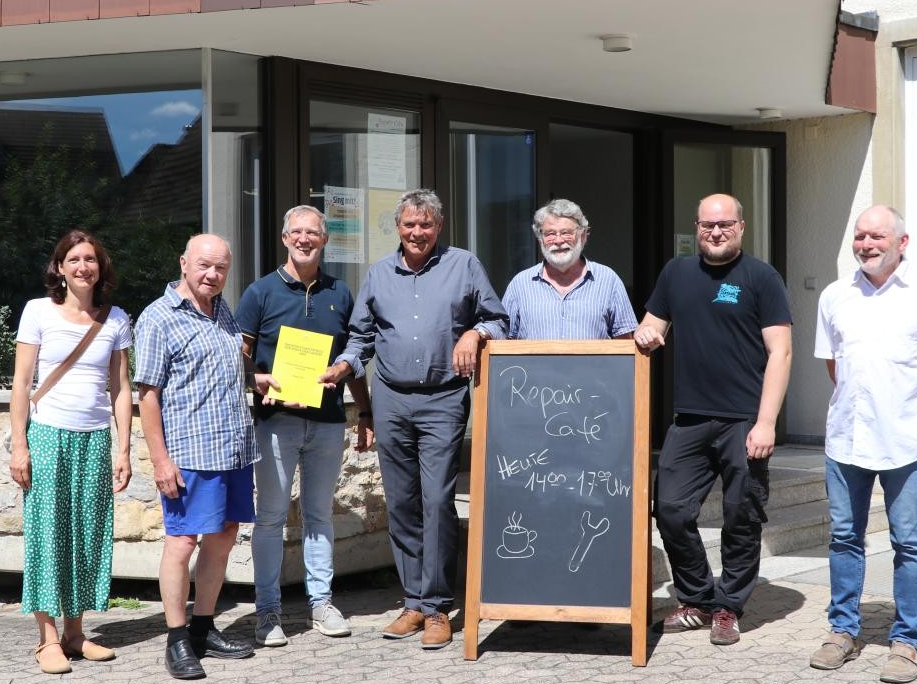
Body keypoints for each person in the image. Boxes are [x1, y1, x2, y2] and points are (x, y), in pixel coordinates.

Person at [321, 189, 507, 651]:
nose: (417, 232)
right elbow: (360, 336)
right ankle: (413, 602)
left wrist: (475, 332)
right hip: (391, 401)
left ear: (439, 227)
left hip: (444, 399)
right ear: (398, 228)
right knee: (401, 503)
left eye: (425, 225)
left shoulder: (464, 265)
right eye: (409, 225)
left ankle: (439, 606)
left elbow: (499, 319)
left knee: (438, 500)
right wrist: (344, 366)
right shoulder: (380, 273)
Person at [808, 205, 917, 684]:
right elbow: (836, 366)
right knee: (844, 539)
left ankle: (907, 640)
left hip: (907, 441)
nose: (866, 244)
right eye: (860, 236)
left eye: (877, 236)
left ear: (902, 242)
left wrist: (904, 404)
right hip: (847, 439)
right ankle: (842, 632)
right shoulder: (836, 296)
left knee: (909, 542)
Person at [633, 193, 792, 646]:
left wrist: (766, 422)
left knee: (742, 515)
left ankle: (728, 607)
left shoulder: (761, 277)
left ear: (741, 226)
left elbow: (780, 352)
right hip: (690, 418)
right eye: (707, 225)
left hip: (744, 419)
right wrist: (645, 333)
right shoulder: (676, 273)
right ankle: (698, 598)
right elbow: (652, 328)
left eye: (724, 225)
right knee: (670, 508)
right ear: (696, 227)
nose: (715, 232)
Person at [134, 234, 274, 681]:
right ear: (183, 263)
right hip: (189, 453)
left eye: (221, 268)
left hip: (232, 448)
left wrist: (258, 381)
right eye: (204, 266)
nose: (212, 275)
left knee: (225, 535)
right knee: (182, 543)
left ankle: (203, 627)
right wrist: (160, 460)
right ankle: (176, 640)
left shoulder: (222, 310)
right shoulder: (158, 318)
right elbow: (148, 395)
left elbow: (223, 369)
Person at [235, 205, 375, 648]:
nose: (304, 239)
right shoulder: (260, 292)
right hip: (276, 422)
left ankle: (321, 603)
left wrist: (363, 406)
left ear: (324, 240)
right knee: (272, 517)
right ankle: (267, 611)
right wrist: (256, 381)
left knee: (319, 514)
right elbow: (237, 354)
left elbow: (355, 352)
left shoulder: (340, 292)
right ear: (284, 237)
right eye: (296, 232)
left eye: (312, 232)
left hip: (328, 421)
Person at [9, 229, 134, 674]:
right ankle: (46, 640)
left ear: (101, 267)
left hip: (95, 437)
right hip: (47, 435)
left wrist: (123, 449)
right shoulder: (38, 312)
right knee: (47, 534)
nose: (84, 266)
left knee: (86, 534)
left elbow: (120, 388)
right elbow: (22, 383)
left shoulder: (116, 318)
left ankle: (76, 633)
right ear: (59, 268)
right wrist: (19, 445)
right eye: (74, 259)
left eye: (91, 259)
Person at [502, 198, 636, 341]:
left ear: (583, 236)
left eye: (566, 233)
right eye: (550, 234)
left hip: (593, 365)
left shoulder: (608, 280)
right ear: (540, 239)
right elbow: (502, 341)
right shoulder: (520, 284)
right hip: (534, 365)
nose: (559, 241)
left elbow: (625, 344)